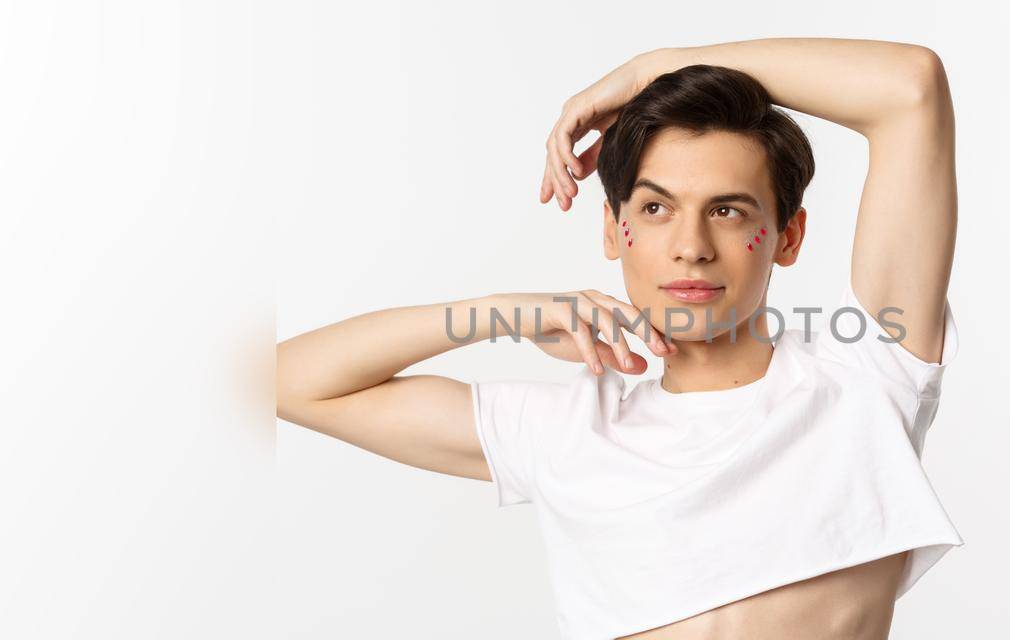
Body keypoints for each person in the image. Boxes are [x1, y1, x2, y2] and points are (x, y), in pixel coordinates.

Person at [277, 37, 961, 640]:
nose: (691, 247)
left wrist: (660, 69)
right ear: (613, 231)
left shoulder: (867, 375)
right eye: (656, 209)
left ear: (787, 236)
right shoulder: (570, 427)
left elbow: (911, 86)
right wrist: (500, 312)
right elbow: (288, 381)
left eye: (727, 211)